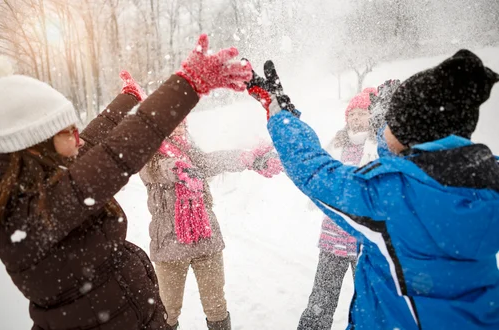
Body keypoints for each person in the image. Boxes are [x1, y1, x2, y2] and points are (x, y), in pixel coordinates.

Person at [0, 34, 252, 330]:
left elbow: (94, 142)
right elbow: (115, 155)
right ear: (34, 147)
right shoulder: (33, 211)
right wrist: (187, 84)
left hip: (139, 306)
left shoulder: (47, 182)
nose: (78, 138)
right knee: (174, 309)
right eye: (68, 132)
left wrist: (128, 98)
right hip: (151, 274)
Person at [246, 51, 499, 329]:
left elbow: (315, 171)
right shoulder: (488, 182)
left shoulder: (390, 196)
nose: (383, 125)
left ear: (407, 133)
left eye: (389, 121)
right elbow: (407, 161)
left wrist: (280, 115)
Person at [140, 118, 282, 330]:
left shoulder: (192, 154)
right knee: (167, 311)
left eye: (181, 124)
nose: (178, 128)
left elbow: (213, 160)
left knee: (216, 305)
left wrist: (247, 159)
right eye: (173, 123)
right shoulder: (149, 157)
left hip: (205, 239)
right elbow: (155, 170)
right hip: (170, 245)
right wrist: (178, 169)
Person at [298, 88, 380, 330]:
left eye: (361, 113)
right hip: (332, 237)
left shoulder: (379, 145)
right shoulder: (336, 145)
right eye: (351, 114)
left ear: (372, 115)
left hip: (365, 241)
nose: (355, 118)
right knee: (320, 301)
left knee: (369, 304)